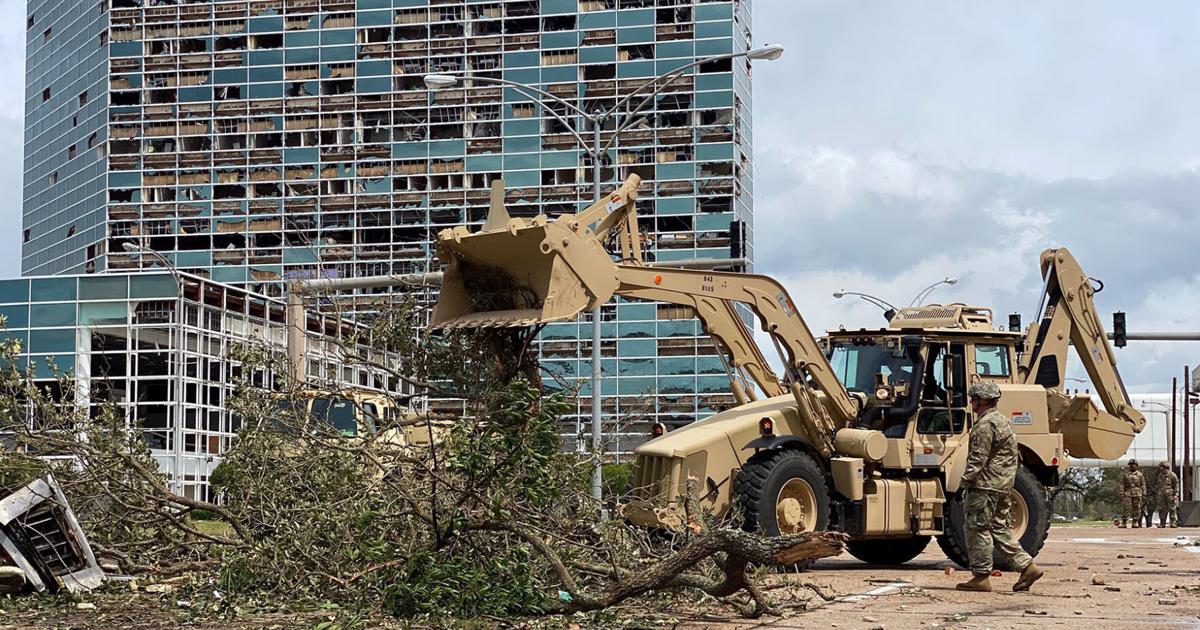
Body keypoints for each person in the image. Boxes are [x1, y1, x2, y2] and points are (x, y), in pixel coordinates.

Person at [955, 381, 1044, 593]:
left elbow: (978, 459)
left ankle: (981, 576)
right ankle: (1027, 566)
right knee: (999, 528)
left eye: (975, 398)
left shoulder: (985, 425)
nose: (972, 402)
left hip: (985, 486)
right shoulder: (1003, 421)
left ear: (984, 400)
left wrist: (964, 483)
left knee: (977, 529)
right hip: (1003, 485)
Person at [1119, 460, 1145, 528]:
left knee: (1136, 507)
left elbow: (1143, 484)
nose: (1132, 465)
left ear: (1136, 465)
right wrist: (1121, 492)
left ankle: (1135, 521)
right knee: (1126, 507)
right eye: (1131, 464)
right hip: (1128, 492)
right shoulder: (1125, 474)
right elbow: (1122, 484)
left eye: (1134, 464)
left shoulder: (1139, 474)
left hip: (1137, 492)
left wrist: (1144, 493)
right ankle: (1124, 522)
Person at [1157, 461, 1180, 528]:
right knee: (1162, 509)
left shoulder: (1172, 475)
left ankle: (1173, 523)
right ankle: (1162, 523)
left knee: (1172, 508)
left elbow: (1176, 484)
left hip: (1170, 495)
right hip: (1162, 495)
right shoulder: (1160, 475)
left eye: (1162, 467)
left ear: (1165, 467)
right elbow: (1159, 485)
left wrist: (1176, 494)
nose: (1161, 469)